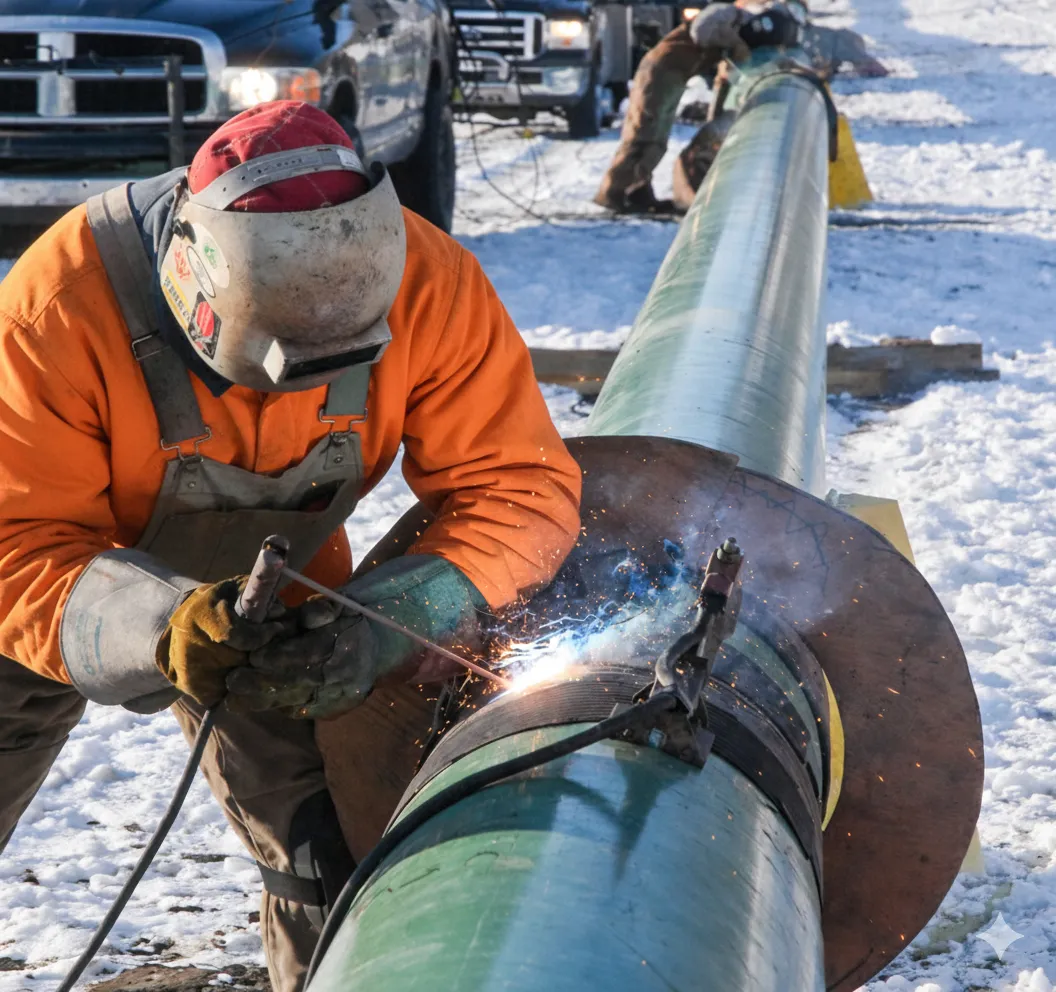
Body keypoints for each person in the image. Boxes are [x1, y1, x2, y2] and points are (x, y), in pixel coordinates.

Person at [0, 100, 582, 992]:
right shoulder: (57, 306)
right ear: (191, 277)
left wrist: (399, 618)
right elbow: (15, 542)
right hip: (57, 582)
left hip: (286, 598)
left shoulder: (429, 282)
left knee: (328, 848)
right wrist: (158, 625)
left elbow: (520, 487)